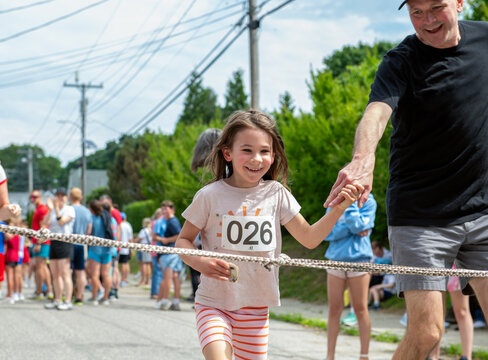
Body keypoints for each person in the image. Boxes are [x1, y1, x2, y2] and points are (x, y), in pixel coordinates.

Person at [324, 1, 488, 358]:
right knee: (427, 333)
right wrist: (362, 158)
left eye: (437, 7)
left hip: (482, 210)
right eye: (416, 11)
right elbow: (377, 112)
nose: (427, 20)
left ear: (459, 3)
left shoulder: (485, 41)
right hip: (420, 216)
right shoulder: (400, 60)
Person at [176, 110, 362, 360]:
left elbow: (309, 238)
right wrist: (200, 263)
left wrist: (338, 209)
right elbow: (183, 240)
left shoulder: (277, 194)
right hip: (214, 303)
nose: (256, 158)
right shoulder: (209, 196)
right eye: (247, 150)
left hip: (256, 307)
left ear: (274, 156)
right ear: (227, 153)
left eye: (264, 151)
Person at [323, 193, 377, 360]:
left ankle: (364, 356)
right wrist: (352, 226)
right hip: (335, 259)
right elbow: (326, 233)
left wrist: (350, 206)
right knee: (334, 309)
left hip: (359, 260)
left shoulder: (369, 202)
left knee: (361, 309)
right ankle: (329, 356)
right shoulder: (334, 200)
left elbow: (360, 228)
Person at [43, 189, 76, 311]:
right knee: (55, 274)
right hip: (54, 241)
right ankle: (57, 299)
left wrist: (56, 208)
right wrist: (50, 209)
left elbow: (61, 222)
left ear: (66, 198)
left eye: (62, 196)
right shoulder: (52, 210)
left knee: (65, 273)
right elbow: (45, 223)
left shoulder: (69, 209)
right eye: (58, 196)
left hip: (65, 242)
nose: (60, 198)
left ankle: (67, 300)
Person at [154, 200, 183, 311]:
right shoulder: (170, 221)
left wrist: (166, 240)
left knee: (168, 277)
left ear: (172, 209)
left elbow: (179, 236)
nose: (164, 212)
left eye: (166, 209)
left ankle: (165, 301)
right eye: (162, 210)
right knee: (174, 277)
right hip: (171, 252)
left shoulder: (172, 222)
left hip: (169, 253)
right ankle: (175, 301)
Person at [86, 200, 113, 305]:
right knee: (106, 274)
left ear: (91, 209)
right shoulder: (106, 216)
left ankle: (94, 296)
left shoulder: (92, 218)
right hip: (107, 248)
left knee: (94, 274)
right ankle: (106, 297)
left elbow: (88, 232)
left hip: (95, 249)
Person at [68, 187, 92, 306]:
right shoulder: (87, 211)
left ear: (70, 197)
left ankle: (69, 294)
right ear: (81, 197)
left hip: (69, 242)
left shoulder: (69, 209)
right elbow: (89, 230)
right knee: (80, 271)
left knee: (68, 270)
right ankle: (79, 296)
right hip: (82, 243)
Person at [29, 189, 53, 300]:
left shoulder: (43, 209)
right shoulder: (38, 209)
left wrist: (38, 242)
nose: (32, 199)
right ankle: (44, 290)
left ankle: (43, 290)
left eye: (35, 197)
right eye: (31, 197)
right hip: (38, 241)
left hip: (42, 242)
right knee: (40, 267)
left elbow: (44, 226)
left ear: (40, 197)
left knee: (41, 267)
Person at [133, 217, 153, 286]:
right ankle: (148, 280)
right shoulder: (151, 230)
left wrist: (133, 242)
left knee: (144, 264)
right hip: (150, 247)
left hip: (144, 248)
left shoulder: (143, 231)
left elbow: (138, 239)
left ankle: (143, 280)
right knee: (149, 265)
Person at [151, 208, 165, 299]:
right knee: (158, 272)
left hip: (153, 249)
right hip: (158, 249)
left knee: (156, 272)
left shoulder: (153, 222)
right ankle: (156, 292)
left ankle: (154, 292)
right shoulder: (160, 222)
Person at [118, 212, 133, 287]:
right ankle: (126, 279)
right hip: (127, 247)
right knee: (126, 263)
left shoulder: (119, 225)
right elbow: (130, 238)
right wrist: (131, 249)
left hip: (120, 247)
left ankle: (122, 280)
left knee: (122, 264)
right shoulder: (128, 225)